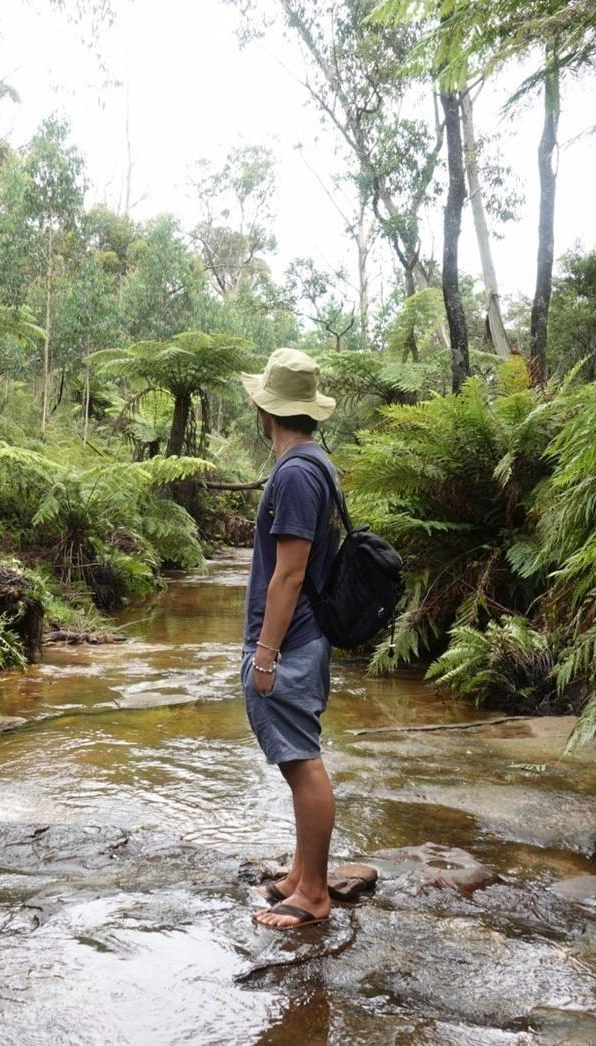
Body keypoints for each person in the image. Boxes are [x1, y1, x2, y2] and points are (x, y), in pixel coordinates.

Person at [238, 347, 340, 931]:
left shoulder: (298, 473)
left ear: (265, 409)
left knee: (302, 764)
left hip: (291, 640)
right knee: (297, 760)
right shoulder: (315, 463)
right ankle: (301, 875)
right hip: (304, 637)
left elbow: (290, 573)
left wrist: (267, 653)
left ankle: (315, 896)